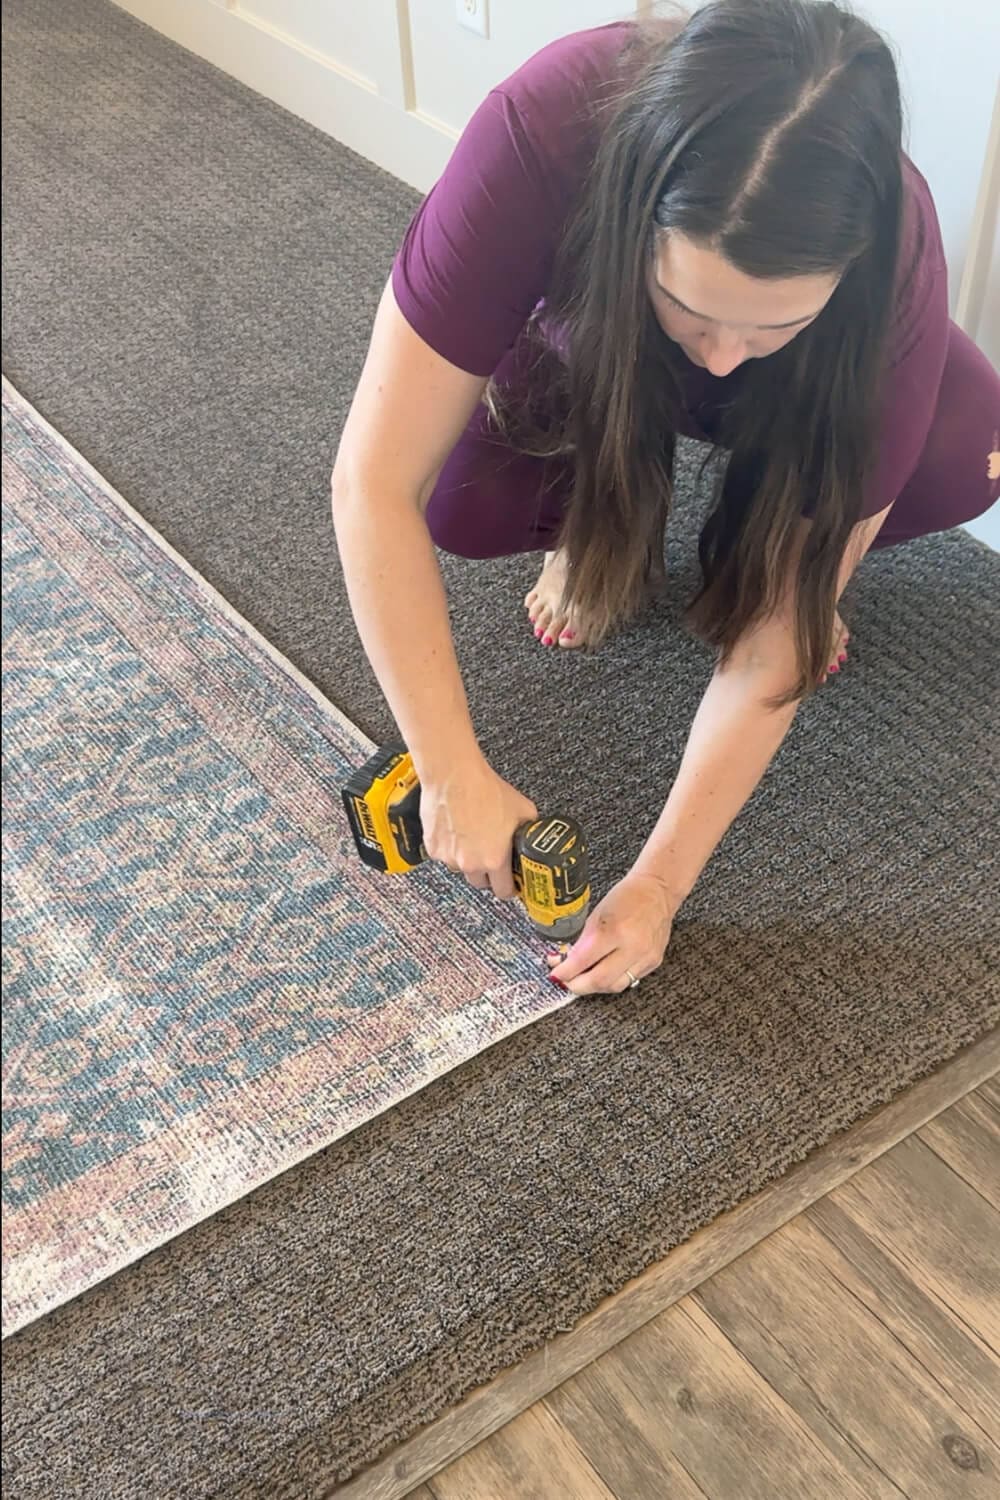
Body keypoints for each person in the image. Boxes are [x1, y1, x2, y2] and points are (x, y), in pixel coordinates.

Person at [332, 0, 1000, 998]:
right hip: (596, 347)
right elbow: (373, 480)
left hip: (805, 396)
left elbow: (780, 634)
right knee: (458, 503)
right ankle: (600, 512)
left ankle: (767, 522)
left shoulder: (890, 262)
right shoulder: (539, 132)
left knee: (962, 456)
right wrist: (448, 769)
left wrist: (656, 887)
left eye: (769, 322)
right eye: (693, 305)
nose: (723, 356)